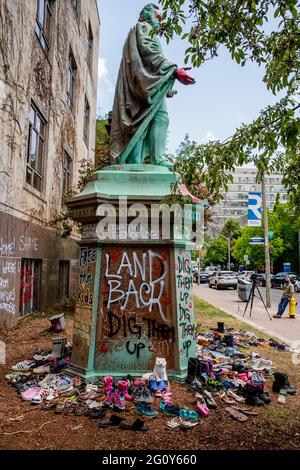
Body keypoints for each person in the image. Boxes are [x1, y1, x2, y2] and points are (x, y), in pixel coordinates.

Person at [109, 3, 195, 169]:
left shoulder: (145, 31)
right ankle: (142, 162)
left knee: (159, 119)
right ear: (146, 16)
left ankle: (157, 158)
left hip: (150, 87)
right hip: (140, 88)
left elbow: (149, 61)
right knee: (143, 123)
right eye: (158, 17)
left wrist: (164, 85)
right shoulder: (143, 27)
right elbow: (150, 54)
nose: (160, 22)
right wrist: (174, 71)